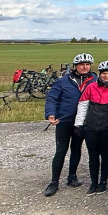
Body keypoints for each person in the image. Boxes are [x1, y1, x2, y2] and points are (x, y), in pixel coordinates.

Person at [44, 53, 96, 196]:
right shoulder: (63, 81)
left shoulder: (95, 80)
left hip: (82, 121)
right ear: (75, 66)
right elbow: (52, 98)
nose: (85, 67)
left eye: (87, 64)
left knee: (76, 149)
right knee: (61, 150)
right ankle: (54, 181)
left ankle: (72, 176)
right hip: (64, 120)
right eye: (81, 64)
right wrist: (50, 114)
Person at [75, 60, 108, 195]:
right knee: (93, 156)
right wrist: (79, 124)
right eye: (104, 73)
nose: (106, 76)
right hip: (90, 126)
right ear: (99, 74)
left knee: (105, 154)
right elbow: (83, 105)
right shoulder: (91, 87)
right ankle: (93, 182)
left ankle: (103, 182)